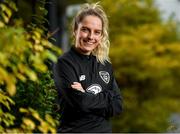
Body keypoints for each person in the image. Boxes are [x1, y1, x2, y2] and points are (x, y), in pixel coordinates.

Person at [53, 2, 123, 133]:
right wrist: (108, 96)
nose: (91, 37)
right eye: (85, 30)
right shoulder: (64, 63)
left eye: (97, 32)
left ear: (101, 36)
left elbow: (117, 106)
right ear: (75, 30)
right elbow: (81, 103)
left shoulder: (104, 64)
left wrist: (85, 94)